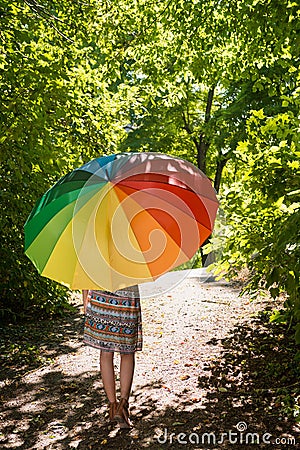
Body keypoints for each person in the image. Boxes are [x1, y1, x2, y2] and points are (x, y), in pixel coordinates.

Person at [82, 285, 142, 428]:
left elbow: (83, 269)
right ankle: (123, 408)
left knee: (106, 352)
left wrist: (85, 299)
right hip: (127, 295)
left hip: (100, 297)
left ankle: (112, 406)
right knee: (127, 352)